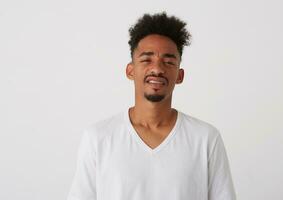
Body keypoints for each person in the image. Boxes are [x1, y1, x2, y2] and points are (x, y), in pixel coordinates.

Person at [67, 12, 236, 200]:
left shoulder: (205, 139)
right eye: (147, 59)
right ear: (130, 70)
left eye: (168, 61)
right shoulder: (98, 138)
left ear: (179, 75)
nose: (157, 68)